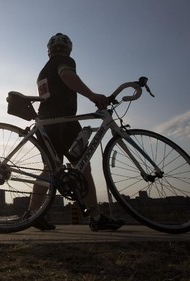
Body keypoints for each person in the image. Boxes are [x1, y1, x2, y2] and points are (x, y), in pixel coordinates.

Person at [27, 33, 124, 231]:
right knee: (83, 167)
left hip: (47, 122)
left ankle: (32, 214)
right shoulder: (64, 60)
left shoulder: (43, 70)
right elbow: (67, 75)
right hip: (65, 122)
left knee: (50, 170)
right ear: (68, 49)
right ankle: (96, 218)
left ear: (49, 51)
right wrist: (92, 95)